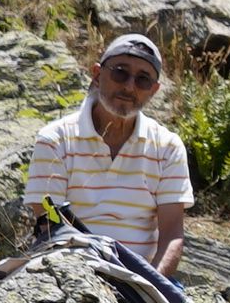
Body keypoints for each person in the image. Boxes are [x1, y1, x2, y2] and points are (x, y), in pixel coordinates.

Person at [21, 33, 192, 279]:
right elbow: (50, 229)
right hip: (72, 277)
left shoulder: (167, 147)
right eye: (120, 72)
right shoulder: (55, 139)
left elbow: (172, 235)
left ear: (154, 90)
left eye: (143, 80)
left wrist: (151, 291)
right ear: (98, 74)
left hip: (142, 281)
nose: (129, 86)